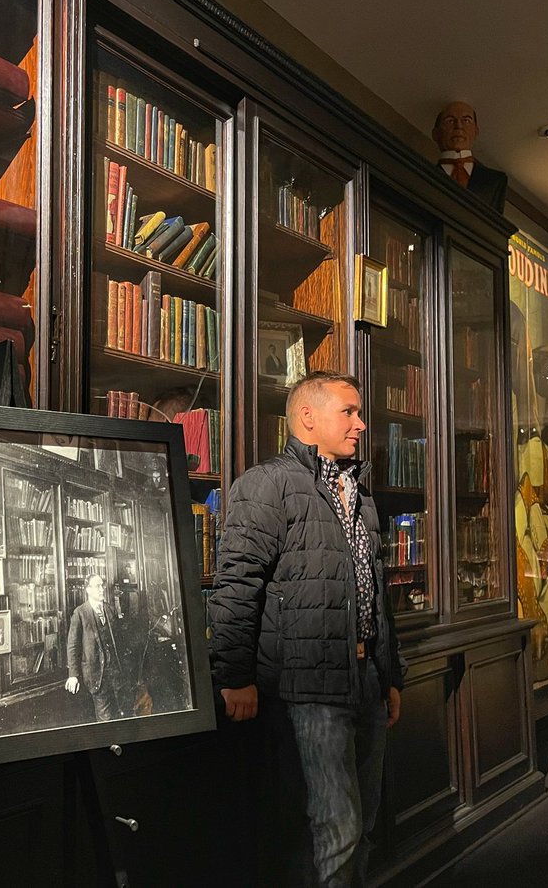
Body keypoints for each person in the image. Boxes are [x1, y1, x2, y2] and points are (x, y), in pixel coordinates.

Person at [208, 371, 404, 888]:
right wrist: (235, 676)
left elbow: (375, 591)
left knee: (362, 826)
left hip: (365, 680)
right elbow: (236, 585)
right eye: (349, 412)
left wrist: (390, 675)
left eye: (359, 413)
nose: (361, 424)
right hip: (308, 689)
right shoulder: (267, 484)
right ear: (308, 417)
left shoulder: (358, 492)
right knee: (334, 829)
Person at [65, 574, 125, 721]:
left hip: (115, 675)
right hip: (97, 675)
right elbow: (72, 646)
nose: (101, 589)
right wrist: (73, 675)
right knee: (106, 718)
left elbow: (119, 641)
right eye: (97, 586)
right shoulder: (80, 613)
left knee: (121, 713)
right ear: (88, 590)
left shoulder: (110, 609)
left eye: (102, 585)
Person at [432, 101, 507, 211]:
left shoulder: (495, 181)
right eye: (450, 121)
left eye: (466, 121)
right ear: (436, 134)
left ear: (476, 132)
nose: (459, 126)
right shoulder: (422, 176)